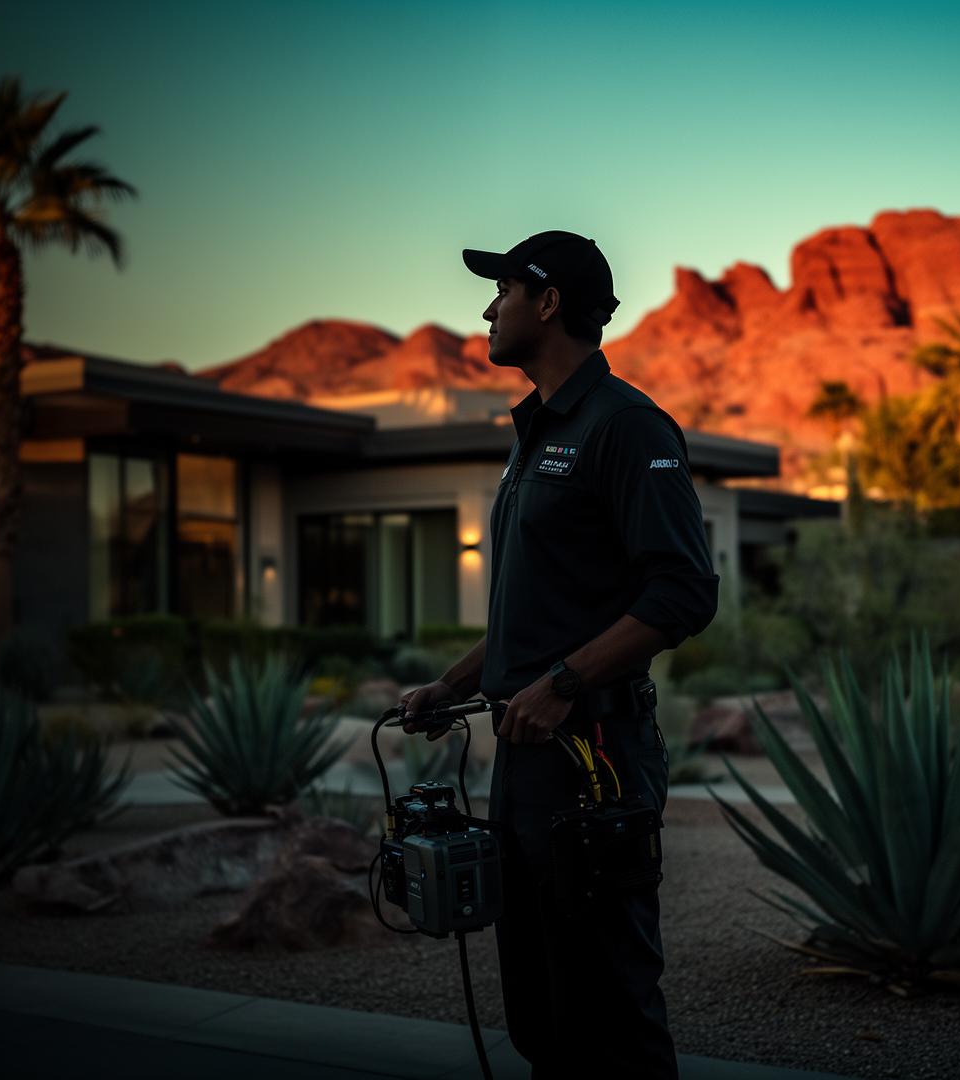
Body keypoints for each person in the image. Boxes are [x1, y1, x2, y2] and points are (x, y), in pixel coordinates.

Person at [399, 230, 718, 1079]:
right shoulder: (534, 435)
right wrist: (454, 683)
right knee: (540, 1007)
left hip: (595, 757)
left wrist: (563, 684)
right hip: (527, 757)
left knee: (610, 1004)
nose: (487, 308)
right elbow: (535, 613)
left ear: (547, 304)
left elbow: (683, 593)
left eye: (502, 291)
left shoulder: (626, 426)